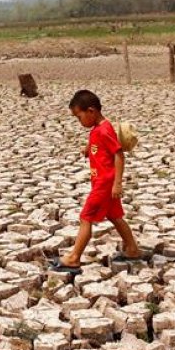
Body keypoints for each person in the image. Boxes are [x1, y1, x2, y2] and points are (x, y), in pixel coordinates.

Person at [50, 90, 141, 273]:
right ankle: (132, 249)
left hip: (104, 184)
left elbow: (118, 155)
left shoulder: (105, 130)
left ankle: (74, 258)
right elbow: (100, 147)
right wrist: (87, 149)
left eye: (79, 116)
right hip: (102, 182)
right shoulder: (97, 130)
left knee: (85, 218)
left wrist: (117, 183)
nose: (79, 121)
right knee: (115, 216)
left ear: (91, 111)